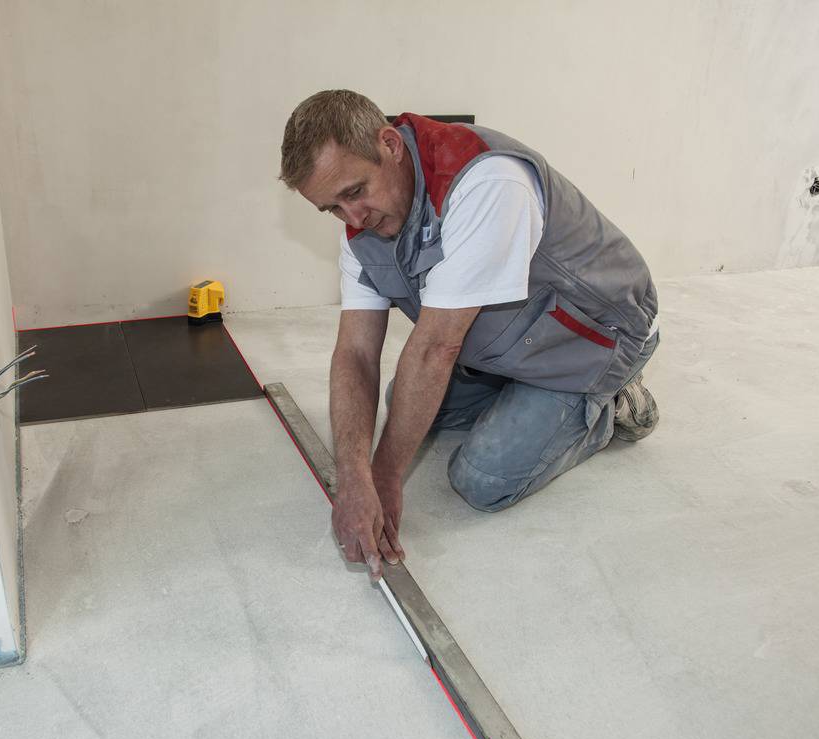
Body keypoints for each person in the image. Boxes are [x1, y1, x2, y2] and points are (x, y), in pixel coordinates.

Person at [279, 90, 660, 579]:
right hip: (509, 343)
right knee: (406, 399)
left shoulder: (485, 182)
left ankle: (610, 405)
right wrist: (352, 476)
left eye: (355, 192)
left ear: (390, 145)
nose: (352, 219)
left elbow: (437, 348)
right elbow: (355, 352)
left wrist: (386, 475)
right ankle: (520, 394)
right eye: (331, 208)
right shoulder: (363, 227)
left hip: (593, 339)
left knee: (481, 479)